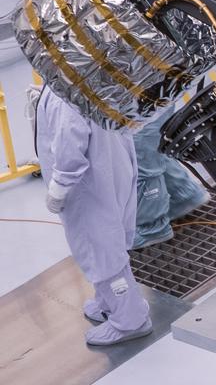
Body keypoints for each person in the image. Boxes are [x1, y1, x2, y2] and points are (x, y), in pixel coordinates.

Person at [36, 86, 153, 346]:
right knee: (111, 241)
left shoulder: (63, 94)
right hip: (113, 168)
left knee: (100, 249)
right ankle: (108, 301)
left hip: (88, 187)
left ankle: (130, 319)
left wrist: (58, 189)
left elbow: (70, 147)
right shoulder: (85, 74)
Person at [133, 104, 209, 249]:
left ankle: (150, 228)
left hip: (142, 91)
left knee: (139, 147)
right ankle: (183, 193)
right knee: (148, 141)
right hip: (149, 91)